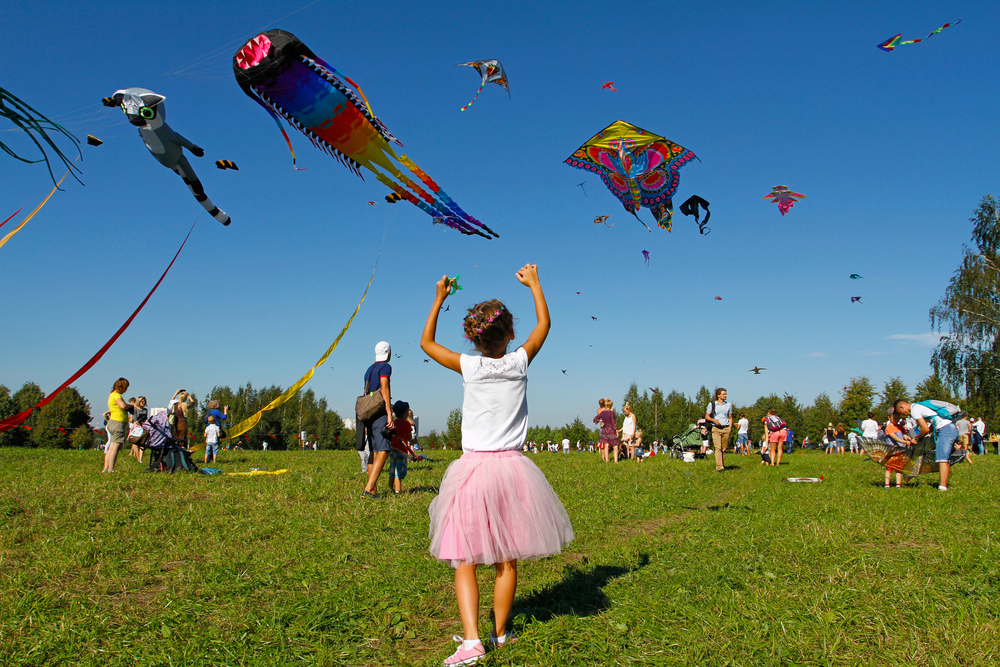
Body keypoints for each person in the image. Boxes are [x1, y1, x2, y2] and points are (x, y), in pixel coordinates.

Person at [421, 264, 573, 665]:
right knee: (507, 557)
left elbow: (426, 343)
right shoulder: (521, 361)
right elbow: (544, 323)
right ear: (509, 333)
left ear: (473, 338)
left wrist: (439, 298)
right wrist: (536, 283)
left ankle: (472, 642)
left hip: (473, 470)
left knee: (464, 557)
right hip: (513, 470)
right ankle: (500, 634)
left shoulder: (469, 366)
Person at [893, 399, 959, 491]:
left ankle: (943, 487)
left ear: (902, 407)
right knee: (945, 458)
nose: (904, 415)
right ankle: (943, 484)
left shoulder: (915, 410)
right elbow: (932, 424)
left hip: (945, 429)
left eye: (902, 412)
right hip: (949, 428)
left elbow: (925, 429)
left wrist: (916, 438)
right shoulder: (919, 406)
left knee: (942, 459)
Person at [361, 341, 394, 498]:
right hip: (379, 411)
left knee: (374, 451)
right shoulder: (385, 367)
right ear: (388, 353)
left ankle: (373, 490)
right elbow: (384, 387)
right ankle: (368, 489)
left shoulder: (369, 369)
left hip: (368, 411)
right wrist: (389, 412)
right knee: (384, 451)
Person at [103, 378, 133, 472]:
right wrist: (131, 406)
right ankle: (111, 468)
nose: (126, 390)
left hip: (112, 422)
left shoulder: (112, 394)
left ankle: (106, 468)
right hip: (118, 422)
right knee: (115, 447)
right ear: (121, 387)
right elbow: (122, 406)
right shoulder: (117, 395)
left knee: (111, 447)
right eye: (125, 387)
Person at [387, 400, 416, 494]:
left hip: (392, 449)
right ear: (405, 413)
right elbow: (409, 437)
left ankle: (390, 488)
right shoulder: (406, 424)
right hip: (402, 451)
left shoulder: (393, 422)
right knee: (398, 471)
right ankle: (398, 490)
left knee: (392, 469)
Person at [882, 409, 913, 488]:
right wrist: (905, 442)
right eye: (895, 418)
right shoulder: (889, 427)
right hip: (892, 450)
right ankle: (887, 484)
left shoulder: (900, 427)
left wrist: (907, 438)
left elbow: (904, 435)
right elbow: (894, 437)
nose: (897, 420)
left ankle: (898, 484)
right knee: (889, 468)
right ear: (889, 417)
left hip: (900, 450)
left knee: (899, 468)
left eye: (898, 418)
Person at [705, 388, 733, 472]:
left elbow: (730, 417)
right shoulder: (712, 404)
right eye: (724, 394)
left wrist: (730, 428)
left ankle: (722, 464)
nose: (725, 395)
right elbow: (707, 416)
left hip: (726, 428)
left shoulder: (729, 405)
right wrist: (714, 420)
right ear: (718, 395)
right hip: (716, 428)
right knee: (718, 448)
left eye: (726, 394)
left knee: (723, 449)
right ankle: (719, 466)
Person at [594, 399, 618, 463]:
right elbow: (613, 422)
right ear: (611, 405)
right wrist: (616, 430)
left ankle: (607, 460)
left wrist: (601, 421)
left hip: (604, 430)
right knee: (615, 446)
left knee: (606, 445)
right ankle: (616, 461)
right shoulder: (611, 413)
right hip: (611, 430)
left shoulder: (602, 413)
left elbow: (595, 419)